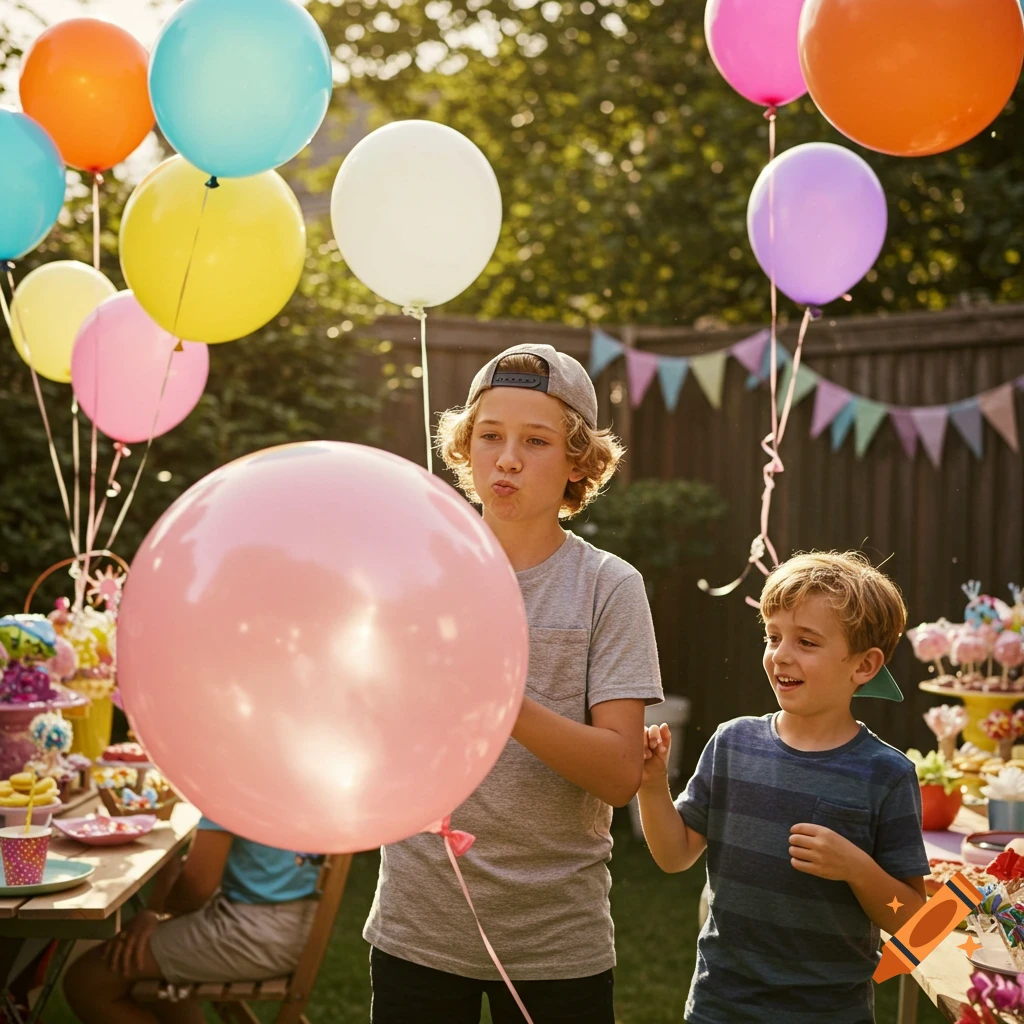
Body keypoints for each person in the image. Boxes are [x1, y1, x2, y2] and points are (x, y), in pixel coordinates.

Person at [363, 343, 663, 1023]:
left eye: (536, 440)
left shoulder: (608, 588)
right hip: (419, 923)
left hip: (557, 940)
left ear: (578, 463)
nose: (507, 458)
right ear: (466, 449)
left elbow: (620, 775)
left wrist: (501, 702)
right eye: (490, 436)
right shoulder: (418, 572)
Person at [638, 550, 930, 1024]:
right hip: (721, 1007)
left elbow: (913, 923)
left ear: (864, 665)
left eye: (807, 642)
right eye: (773, 636)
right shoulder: (733, 743)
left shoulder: (886, 774)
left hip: (830, 1014)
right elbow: (674, 857)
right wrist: (652, 788)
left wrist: (856, 867)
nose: (781, 655)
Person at [63, 818, 319, 1024]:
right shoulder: (286, 767)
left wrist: (157, 914)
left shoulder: (234, 779)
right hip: (299, 923)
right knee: (150, 966)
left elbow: (196, 887)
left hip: (258, 931)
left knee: (87, 981)